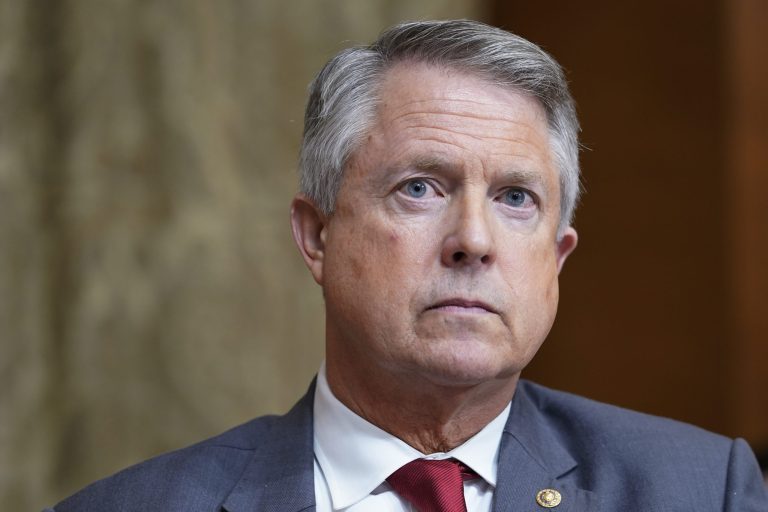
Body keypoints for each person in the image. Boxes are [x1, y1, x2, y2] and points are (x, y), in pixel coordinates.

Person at [47, 19, 767, 512]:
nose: (473, 240)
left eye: (516, 197)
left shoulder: (705, 489)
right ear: (317, 236)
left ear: (556, 257)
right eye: (420, 188)